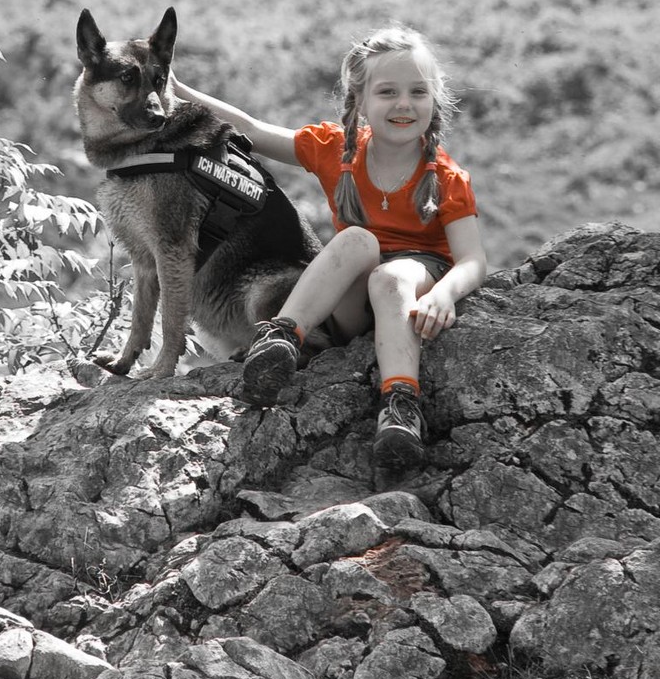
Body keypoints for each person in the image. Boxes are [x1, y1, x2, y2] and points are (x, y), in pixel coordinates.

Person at [172, 24, 487, 469]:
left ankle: (400, 408)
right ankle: (281, 341)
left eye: (418, 92)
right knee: (356, 240)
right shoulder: (336, 151)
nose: (404, 104)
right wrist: (178, 90)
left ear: (434, 99)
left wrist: (443, 294)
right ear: (358, 101)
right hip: (350, 309)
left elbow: (472, 259)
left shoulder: (445, 177)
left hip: (412, 287)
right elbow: (249, 130)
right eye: (387, 92)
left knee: (390, 276)